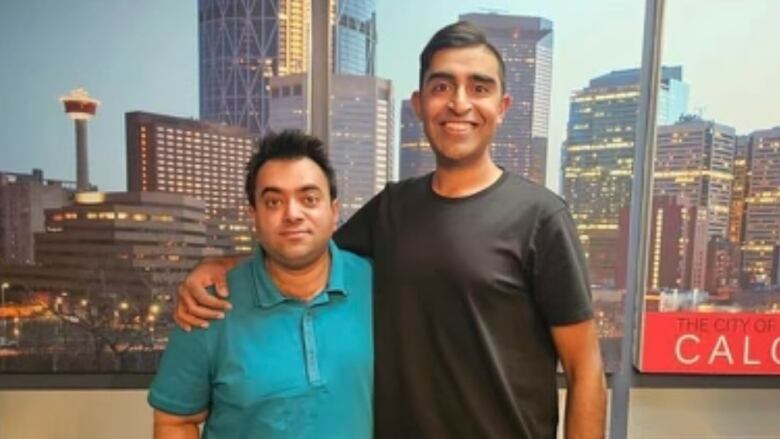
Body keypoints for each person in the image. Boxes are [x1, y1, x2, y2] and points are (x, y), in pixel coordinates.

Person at [175, 21, 607, 439]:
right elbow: (305, 256)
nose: (459, 103)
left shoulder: (540, 218)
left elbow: (585, 367)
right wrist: (221, 266)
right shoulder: (392, 209)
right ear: (419, 105)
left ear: (502, 107)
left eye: (479, 87)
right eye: (442, 86)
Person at [148, 130, 373, 438]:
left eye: (309, 199)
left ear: (334, 211)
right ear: (253, 215)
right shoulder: (208, 306)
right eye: (273, 202)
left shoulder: (379, 287)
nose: (292, 214)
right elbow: (175, 422)